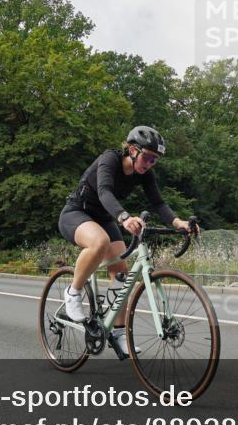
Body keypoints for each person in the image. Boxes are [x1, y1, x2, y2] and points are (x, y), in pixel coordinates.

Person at [57, 126, 196, 358]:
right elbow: (104, 192)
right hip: (76, 212)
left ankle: (118, 333)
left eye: (155, 160)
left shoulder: (145, 174)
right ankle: (73, 291)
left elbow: (159, 203)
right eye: (148, 157)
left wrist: (178, 222)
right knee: (99, 242)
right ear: (132, 150)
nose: (150, 163)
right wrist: (124, 217)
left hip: (103, 218)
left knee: (121, 273)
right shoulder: (109, 159)